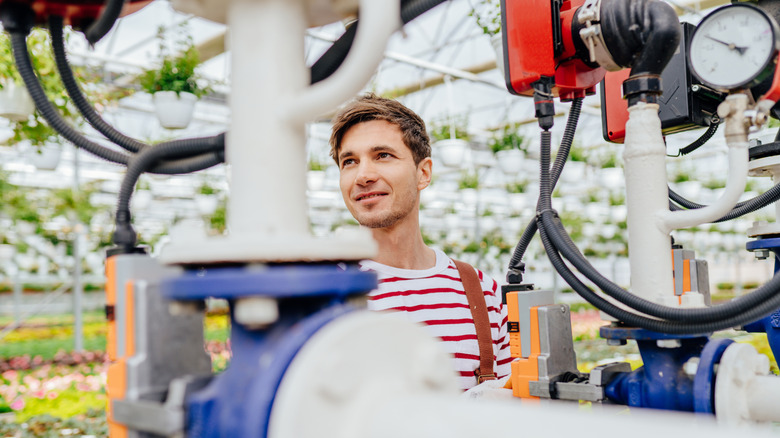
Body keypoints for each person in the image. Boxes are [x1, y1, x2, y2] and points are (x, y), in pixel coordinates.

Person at [330, 93, 511, 391]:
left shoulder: (480, 291)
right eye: (349, 161)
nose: (363, 175)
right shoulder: (325, 292)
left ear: (423, 173)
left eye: (382, 155)